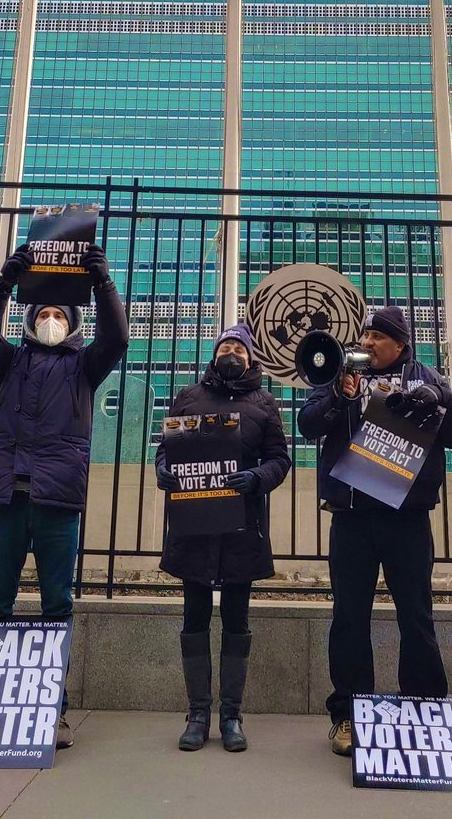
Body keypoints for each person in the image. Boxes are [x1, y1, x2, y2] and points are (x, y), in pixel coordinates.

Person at [0, 242, 128, 750]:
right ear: (32, 320)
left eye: (61, 314)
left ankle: (50, 710)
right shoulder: (10, 362)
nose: (53, 319)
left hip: (57, 500)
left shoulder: (84, 367)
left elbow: (117, 337)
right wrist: (3, 284)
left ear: (72, 322)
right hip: (8, 498)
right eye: (46, 313)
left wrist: (102, 284)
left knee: (57, 603)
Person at [297, 305, 452, 757]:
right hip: (351, 518)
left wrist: (442, 400)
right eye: (365, 336)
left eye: (377, 336)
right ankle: (349, 715)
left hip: (406, 519)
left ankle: (424, 709)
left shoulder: (429, 378)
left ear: (401, 343)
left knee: (416, 616)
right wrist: (338, 396)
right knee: (349, 618)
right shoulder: (340, 372)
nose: (368, 342)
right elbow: (307, 424)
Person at [155, 323, 290, 753]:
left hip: (240, 528)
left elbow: (279, 459)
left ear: (251, 357)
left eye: (238, 347)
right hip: (194, 528)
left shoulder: (264, 404)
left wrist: (256, 478)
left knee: (237, 621)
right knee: (193, 620)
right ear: (214, 355)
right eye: (224, 346)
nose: (231, 351)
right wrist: (164, 471)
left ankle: (231, 715)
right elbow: (166, 450)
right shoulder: (189, 398)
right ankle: (197, 714)